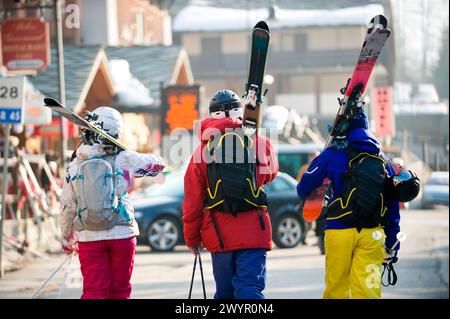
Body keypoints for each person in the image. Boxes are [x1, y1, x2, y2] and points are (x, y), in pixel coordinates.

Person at [296, 105, 419, 299]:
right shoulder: (383, 161)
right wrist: (392, 243)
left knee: (337, 290)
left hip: (339, 230)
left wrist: (323, 184)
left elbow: (303, 187)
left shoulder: (331, 155)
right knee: (368, 292)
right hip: (373, 234)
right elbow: (392, 205)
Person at [60, 106, 165, 299]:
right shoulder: (125, 158)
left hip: (88, 235)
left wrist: (66, 236)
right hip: (122, 233)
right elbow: (159, 165)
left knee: (93, 291)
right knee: (120, 290)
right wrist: (133, 155)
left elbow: (68, 204)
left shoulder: (75, 163)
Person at [182, 90, 279, 299]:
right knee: (250, 290)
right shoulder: (260, 143)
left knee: (225, 294)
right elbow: (271, 174)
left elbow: (193, 200)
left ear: (211, 115)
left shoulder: (202, 151)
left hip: (219, 233)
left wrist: (192, 238)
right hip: (255, 229)